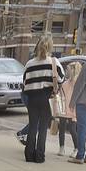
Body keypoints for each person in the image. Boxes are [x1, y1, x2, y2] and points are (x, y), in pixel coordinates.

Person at [21, 33, 65, 163]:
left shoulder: (29, 64)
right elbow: (62, 79)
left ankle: (29, 155)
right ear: (50, 47)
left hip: (32, 97)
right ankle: (40, 156)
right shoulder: (54, 62)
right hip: (47, 97)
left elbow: (24, 82)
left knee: (33, 126)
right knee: (43, 128)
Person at [54, 60, 82, 156]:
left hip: (72, 109)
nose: (66, 71)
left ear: (73, 71)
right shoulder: (65, 83)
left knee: (72, 129)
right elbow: (60, 94)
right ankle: (61, 147)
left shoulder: (77, 83)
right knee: (61, 128)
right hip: (63, 109)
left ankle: (77, 148)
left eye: (68, 70)